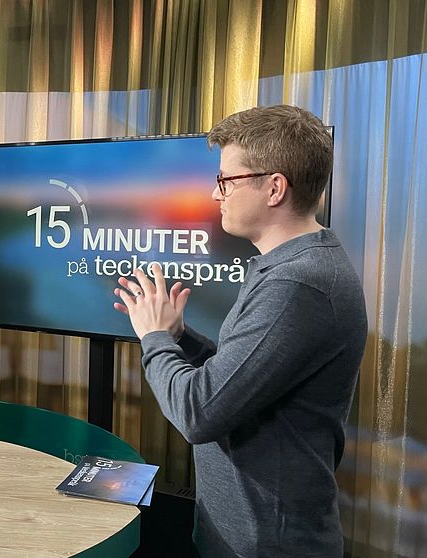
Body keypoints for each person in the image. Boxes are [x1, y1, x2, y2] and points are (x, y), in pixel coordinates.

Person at [114, 105, 367, 556]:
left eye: (226, 181)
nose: (216, 195)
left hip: (268, 544)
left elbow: (199, 412)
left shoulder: (298, 283)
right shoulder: (293, 269)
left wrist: (153, 339)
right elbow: (245, 376)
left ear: (274, 188)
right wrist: (179, 337)